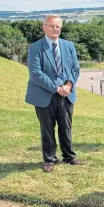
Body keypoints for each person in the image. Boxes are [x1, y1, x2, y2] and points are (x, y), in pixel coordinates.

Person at [25, 14, 81, 172]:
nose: (55, 29)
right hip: (45, 94)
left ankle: (69, 156)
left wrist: (68, 85)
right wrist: (57, 88)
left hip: (66, 93)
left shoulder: (69, 46)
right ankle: (50, 159)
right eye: (52, 26)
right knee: (47, 127)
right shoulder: (36, 47)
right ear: (44, 27)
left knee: (66, 126)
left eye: (58, 26)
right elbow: (36, 73)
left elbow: (75, 68)